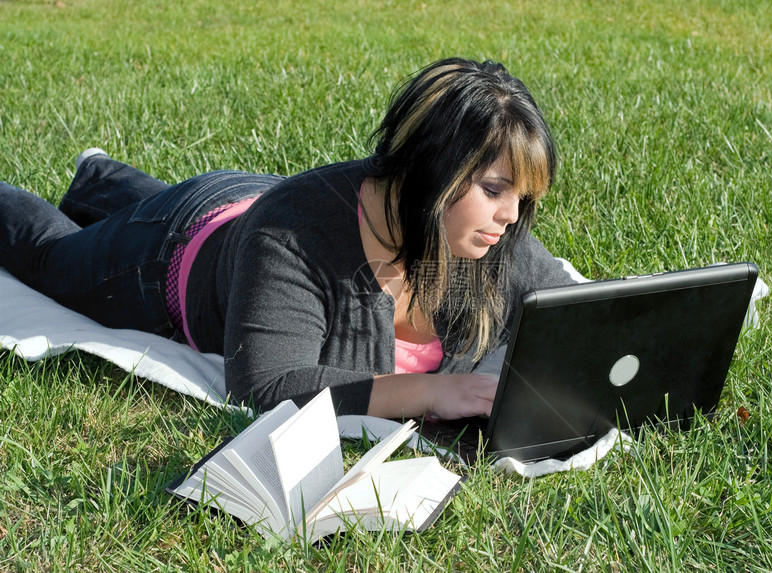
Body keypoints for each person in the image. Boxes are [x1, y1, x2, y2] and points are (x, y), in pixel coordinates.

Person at [0, 57, 579, 420]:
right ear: (432, 171)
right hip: (178, 249)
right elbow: (265, 383)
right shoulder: (294, 235)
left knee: (132, 205)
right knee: (49, 259)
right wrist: (430, 394)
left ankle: (99, 176)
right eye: (496, 188)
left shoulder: (490, 234)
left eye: (524, 197)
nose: (512, 216)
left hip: (250, 211)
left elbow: (586, 314)